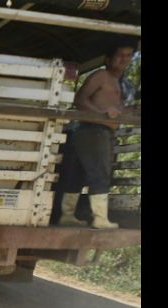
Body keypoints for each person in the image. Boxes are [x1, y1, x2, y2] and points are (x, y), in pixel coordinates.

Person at [57, 37, 138, 229]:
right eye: (120, 55)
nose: (124, 59)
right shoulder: (101, 75)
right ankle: (100, 219)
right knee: (100, 174)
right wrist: (99, 115)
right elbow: (80, 99)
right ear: (109, 59)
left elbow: (113, 109)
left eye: (128, 56)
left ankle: (66, 215)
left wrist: (131, 110)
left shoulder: (120, 83)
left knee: (76, 175)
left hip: (93, 131)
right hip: (94, 130)